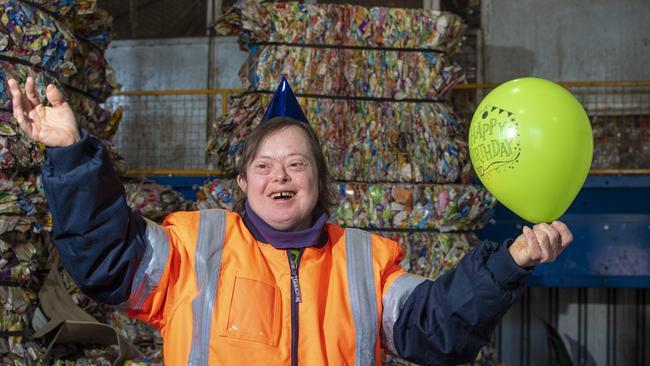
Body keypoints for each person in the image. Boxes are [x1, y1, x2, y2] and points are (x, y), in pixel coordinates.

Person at [8, 76, 573, 366]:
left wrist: (508, 263)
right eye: (265, 165)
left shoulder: (365, 261)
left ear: (319, 183)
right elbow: (104, 257)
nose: (280, 176)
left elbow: (436, 327)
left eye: (296, 163)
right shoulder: (192, 247)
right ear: (243, 184)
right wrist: (72, 155)